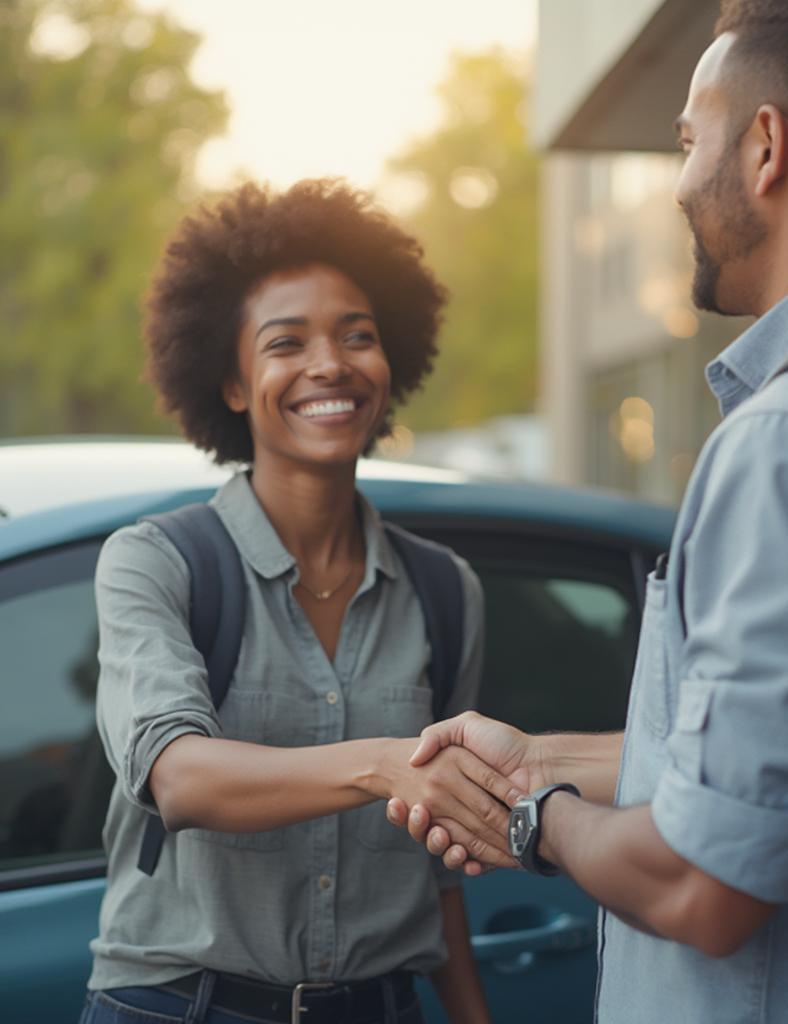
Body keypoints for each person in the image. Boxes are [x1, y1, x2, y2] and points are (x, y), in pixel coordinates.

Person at [387, 1, 788, 1021]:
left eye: (688, 141)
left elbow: (706, 880)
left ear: (766, 147)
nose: (678, 185)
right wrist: (537, 756)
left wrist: (530, 817)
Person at [82, 179, 518, 1024]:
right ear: (235, 384)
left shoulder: (443, 591)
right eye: (288, 342)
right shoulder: (154, 563)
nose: (331, 364)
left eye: (358, 336)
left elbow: (440, 857)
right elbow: (178, 778)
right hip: (179, 1009)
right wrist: (382, 763)